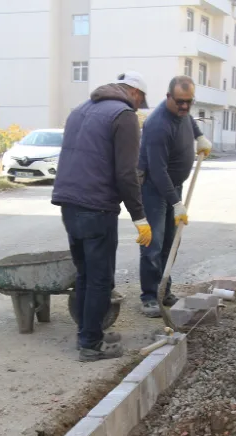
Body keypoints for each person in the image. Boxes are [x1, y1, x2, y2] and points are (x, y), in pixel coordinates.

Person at [51, 72, 150, 361]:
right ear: (134, 93)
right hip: (96, 207)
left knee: (85, 274)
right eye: (140, 102)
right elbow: (125, 173)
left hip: (69, 203)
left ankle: (87, 332)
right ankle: (90, 345)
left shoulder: (80, 110)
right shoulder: (123, 115)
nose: (138, 109)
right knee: (100, 279)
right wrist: (140, 217)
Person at [137, 75, 213, 317]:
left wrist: (199, 136)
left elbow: (189, 119)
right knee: (154, 243)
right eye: (180, 101)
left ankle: (163, 290)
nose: (184, 106)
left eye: (189, 101)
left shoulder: (183, 113)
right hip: (154, 189)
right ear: (168, 97)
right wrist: (176, 203)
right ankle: (149, 297)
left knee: (172, 241)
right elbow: (157, 172)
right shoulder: (158, 124)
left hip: (174, 187)